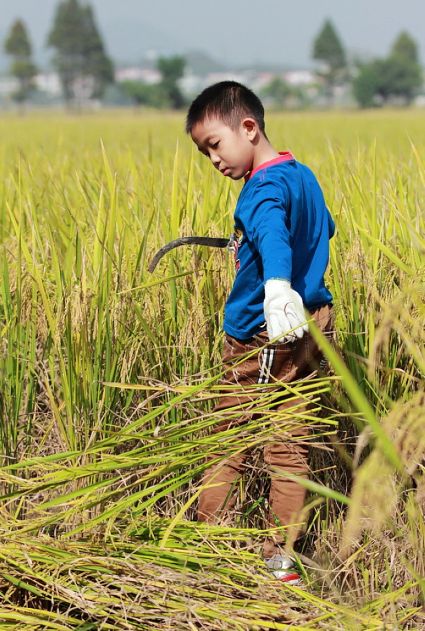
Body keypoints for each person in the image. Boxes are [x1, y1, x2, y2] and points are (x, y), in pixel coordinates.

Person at [185, 81, 335, 583]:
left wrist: (275, 285)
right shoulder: (302, 175)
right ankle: (281, 559)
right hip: (313, 322)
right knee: (292, 440)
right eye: (205, 152)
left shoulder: (262, 188)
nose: (213, 159)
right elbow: (325, 228)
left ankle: (210, 543)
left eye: (215, 144)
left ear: (248, 127)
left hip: (263, 335)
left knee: (233, 438)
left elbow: (272, 234)